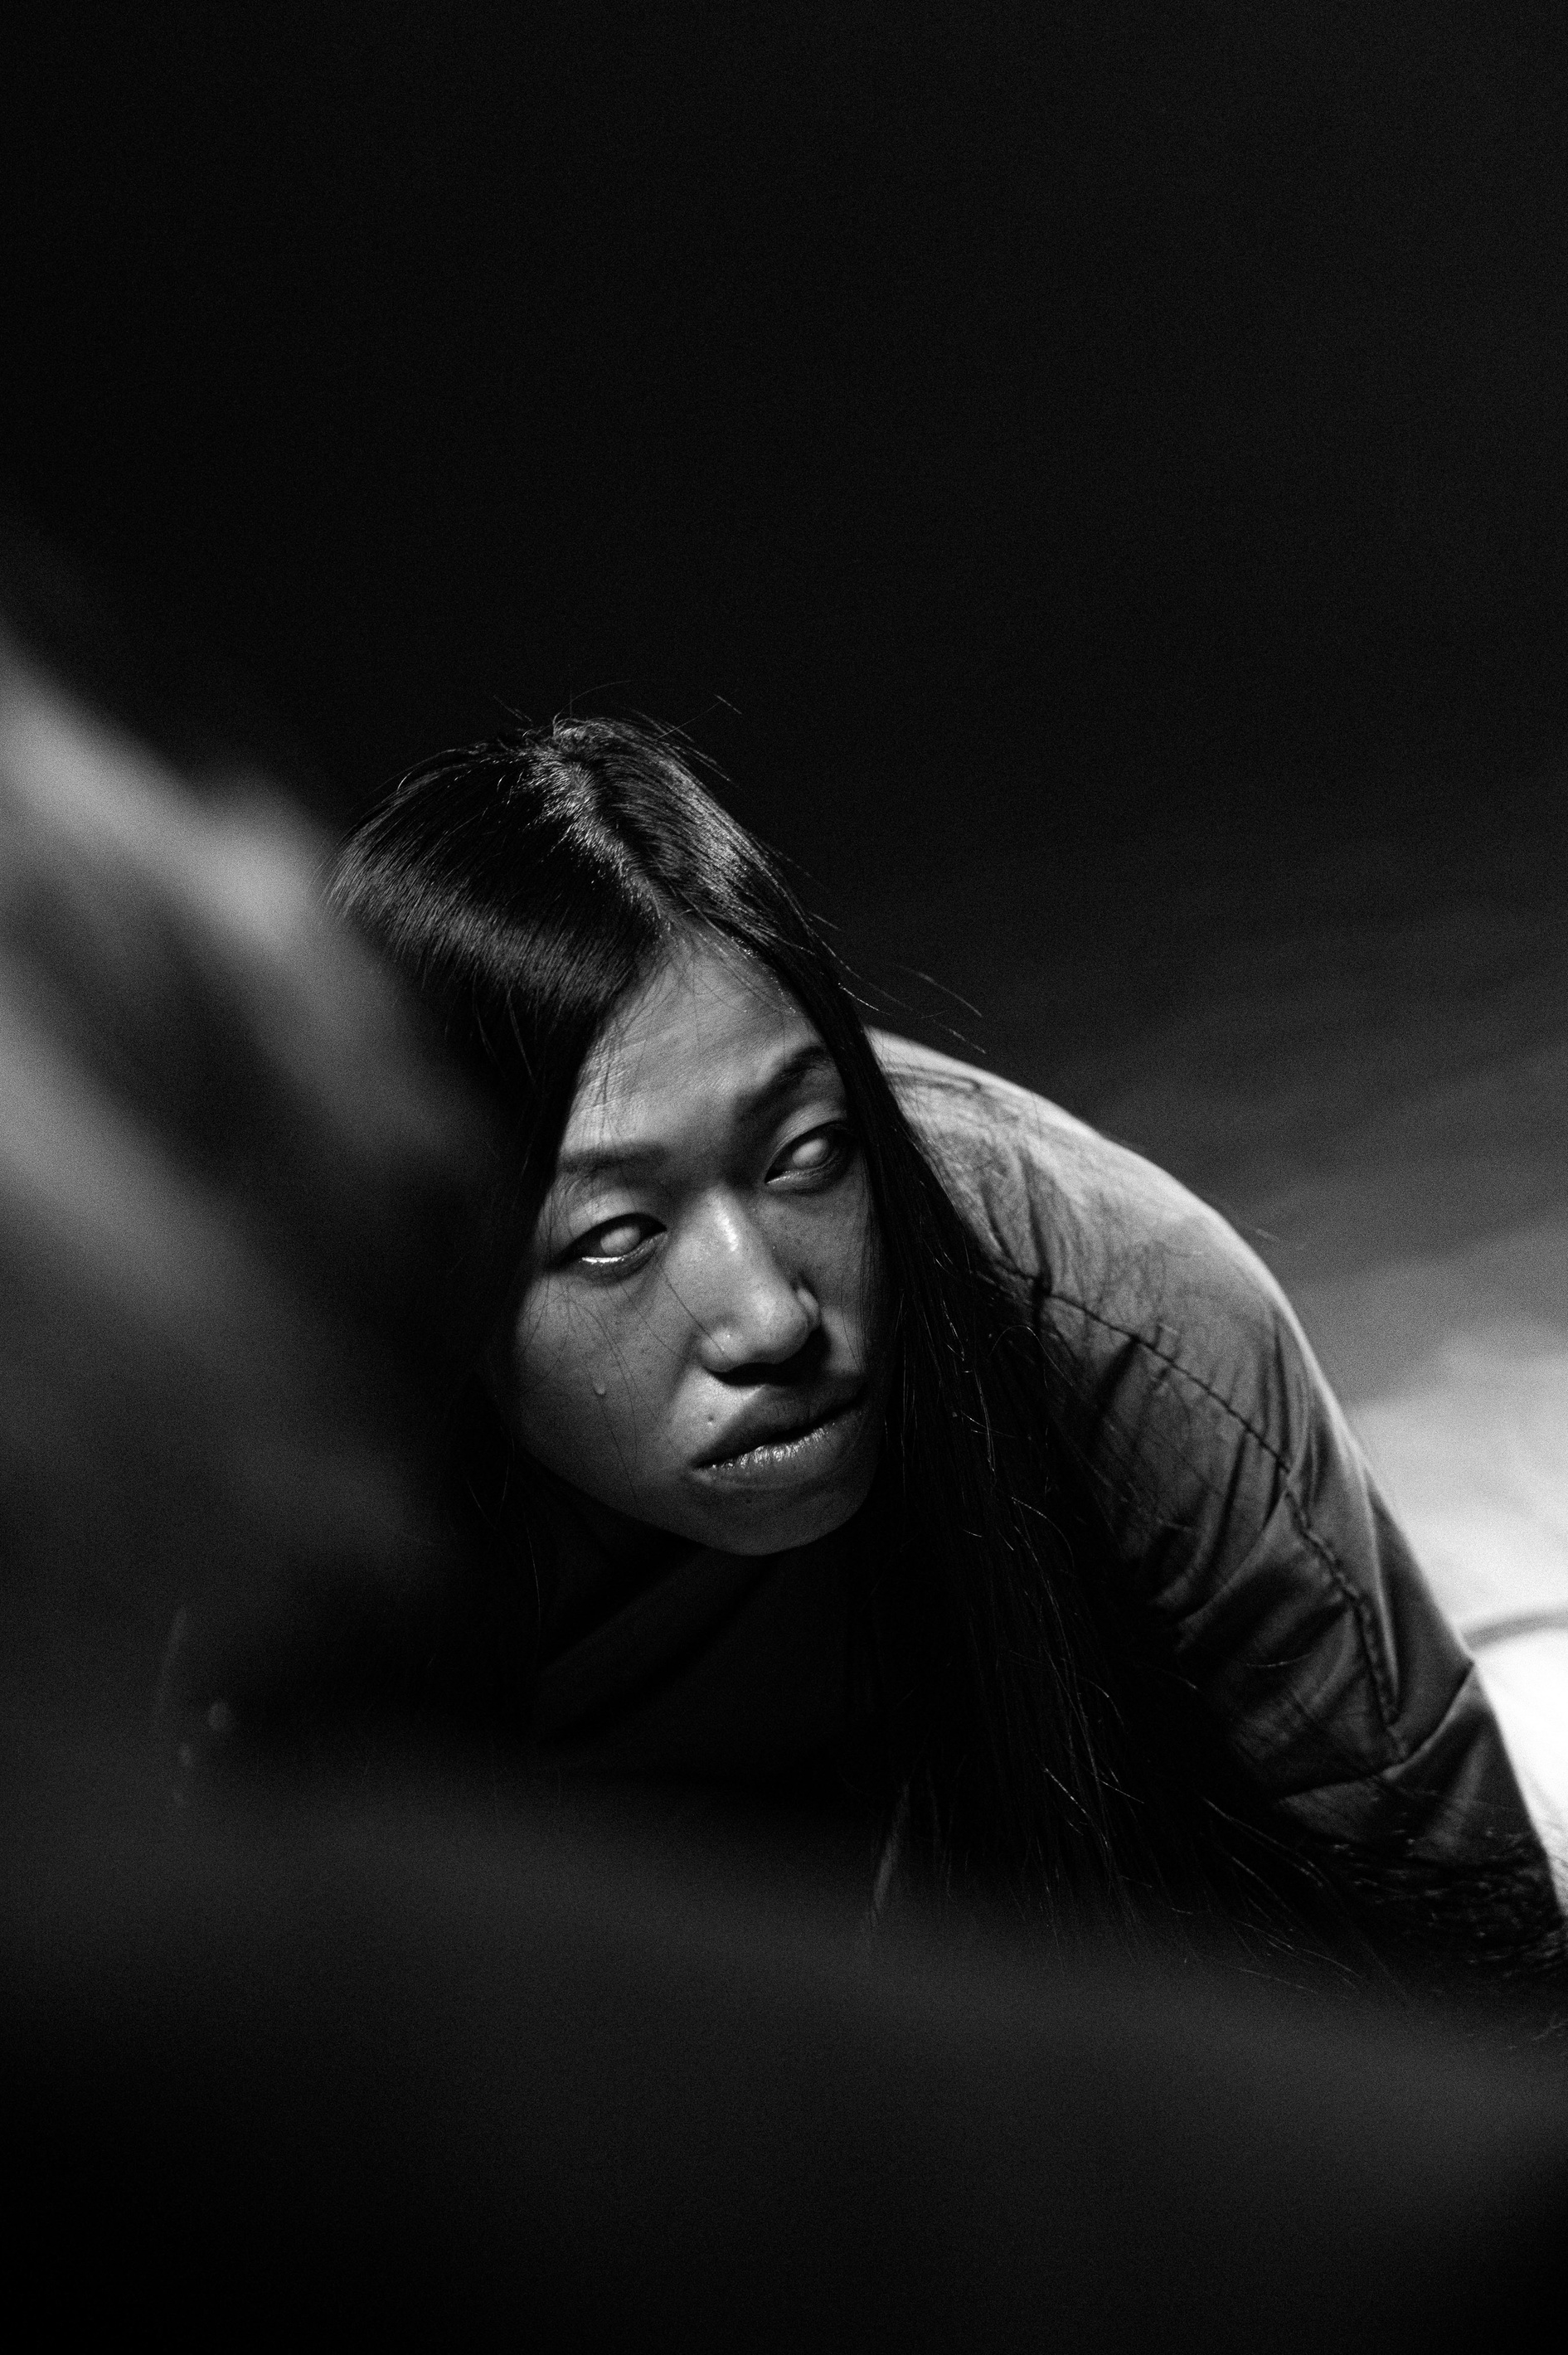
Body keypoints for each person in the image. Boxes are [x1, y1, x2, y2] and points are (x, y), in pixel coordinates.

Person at [306, 715, 1562, 2001]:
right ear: (435, 1274)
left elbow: (1475, 1976)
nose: (770, 1317)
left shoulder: (1129, 1316)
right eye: (615, 1236)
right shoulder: (276, 1460)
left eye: (808, 1152)